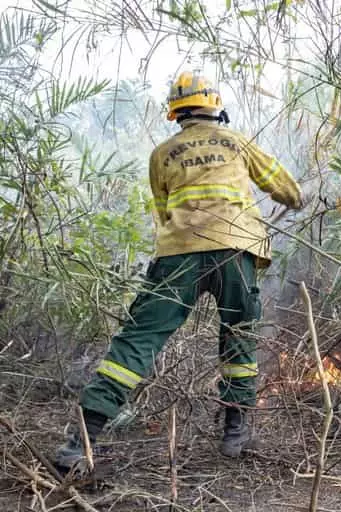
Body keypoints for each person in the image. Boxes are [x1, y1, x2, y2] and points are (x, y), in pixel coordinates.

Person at [55, 70, 303, 469]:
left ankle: (80, 441)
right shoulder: (237, 142)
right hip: (236, 252)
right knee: (238, 338)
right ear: (214, 107)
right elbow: (290, 192)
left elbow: (163, 214)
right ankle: (236, 433)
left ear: (176, 114)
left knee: (138, 341)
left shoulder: (161, 154)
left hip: (178, 255)